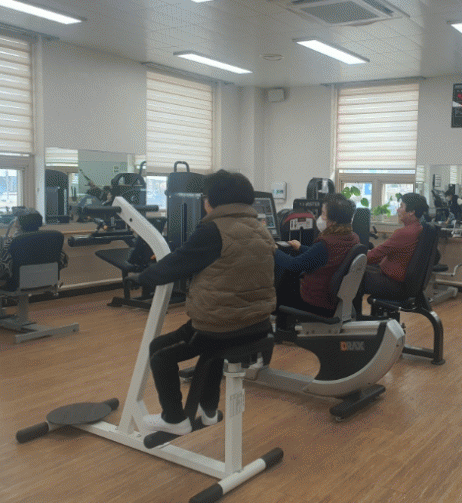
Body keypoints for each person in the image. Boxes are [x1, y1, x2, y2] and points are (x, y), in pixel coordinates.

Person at [129, 170, 277, 435]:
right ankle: (208, 410)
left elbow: (175, 265)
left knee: (160, 351)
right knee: (212, 353)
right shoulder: (261, 229)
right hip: (258, 323)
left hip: (222, 326)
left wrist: (140, 277)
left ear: (210, 201)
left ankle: (174, 419)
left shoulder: (213, 230)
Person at [274, 193, 359, 334]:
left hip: (317, 301)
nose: (320, 217)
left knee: (286, 275)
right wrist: (301, 247)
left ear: (334, 220)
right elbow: (322, 256)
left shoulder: (326, 243)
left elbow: (294, 265)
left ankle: (283, 329)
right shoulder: (352, 238)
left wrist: (274, 250)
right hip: (334, 298)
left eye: (323, 214)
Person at [353, 192, 429, 316]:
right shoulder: (418, 229)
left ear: (411, 212)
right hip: (398, 281)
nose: (398, 210)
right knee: (360, 269)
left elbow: (374, 255)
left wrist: (351, 258)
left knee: (353, 274)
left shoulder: (404, 233)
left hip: (394, 284)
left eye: (401, 206)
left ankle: (353, 319)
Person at [0, 210, 68, 286]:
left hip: (17, 283)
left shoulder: (14, 241)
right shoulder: (50, 239)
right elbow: (63, 260)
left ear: (18, 224)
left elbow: (3, 267)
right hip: (47, 281)